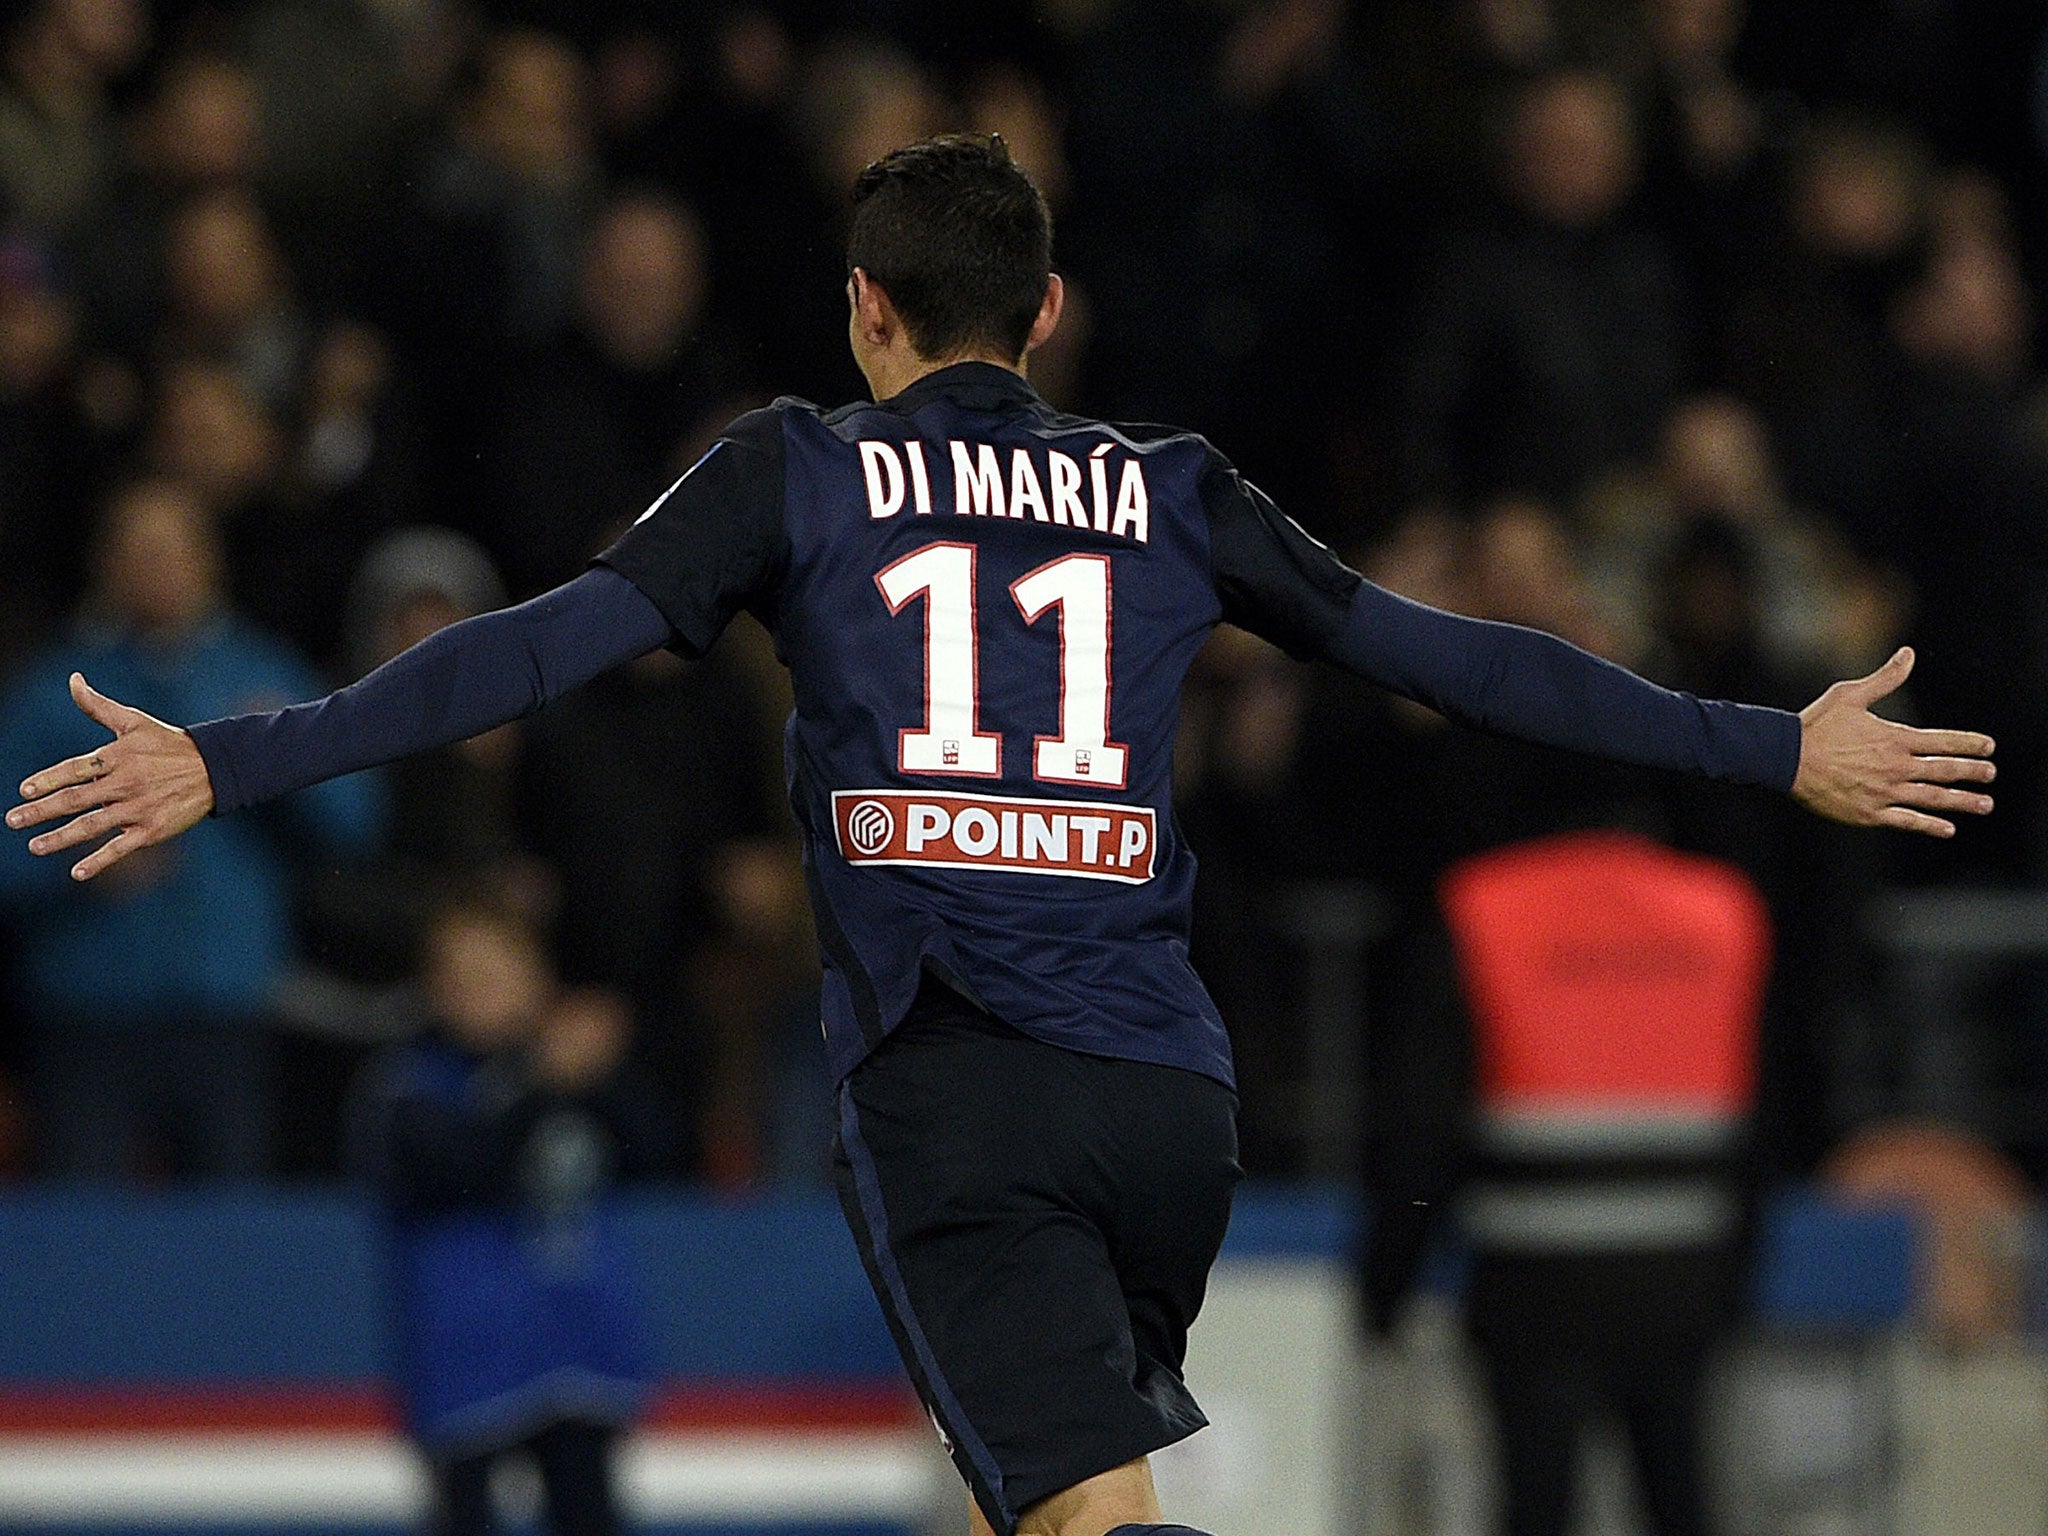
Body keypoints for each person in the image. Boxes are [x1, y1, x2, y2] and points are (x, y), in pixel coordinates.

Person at [5, 134, 1997, 1536]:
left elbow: (531, 655)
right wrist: (1756, 741)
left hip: (963, 1082)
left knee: (1078, 1513)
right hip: (1168, 1092)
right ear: (1043, 310)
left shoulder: (789, 472)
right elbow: (1454, 658)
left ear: (862, 308)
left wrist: (239, 758)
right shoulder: (1174, 486)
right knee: (1039, 1489)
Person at [0, 476, 379, 1179]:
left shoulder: (261, 674)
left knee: (229, 1248)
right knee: (90, 1247)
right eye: (138, 550)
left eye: (172, 549)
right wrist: (73, 866)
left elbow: (356, 824)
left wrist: (282, 763)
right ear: (104, 564)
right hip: (91, 1019)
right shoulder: (56, 695)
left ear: (211, 560)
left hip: (228, 1019)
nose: (156, 568)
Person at [350, 893, 667, 1536]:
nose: (479, 994)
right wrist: (540, 1081)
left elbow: (660, 1152)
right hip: (465, 1349)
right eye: (459, 978)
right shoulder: (407, 1083)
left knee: (590, 1514)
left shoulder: (584, 1075)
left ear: (539, 979)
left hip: (578, 1342)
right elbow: (454, 1175)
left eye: (497, 975)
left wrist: (606, 1072)